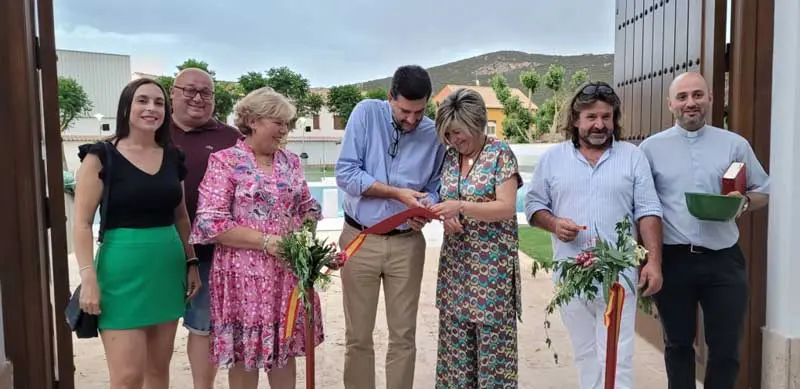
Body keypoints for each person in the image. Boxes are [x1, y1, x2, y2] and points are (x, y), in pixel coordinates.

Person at [523, 81, 664, 389]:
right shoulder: (553, 159)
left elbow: (648, 210)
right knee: (586, 352)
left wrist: (653, 262)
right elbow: (533, 206)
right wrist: (554, 223)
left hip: (619, 273)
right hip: (570, 272)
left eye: (606, 117)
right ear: (575, 120)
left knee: (617, 352)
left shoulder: (632, 156)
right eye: (591, 117)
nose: (600, 124)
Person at [638, 71, 770, 389]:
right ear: (671, 104)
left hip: (723, 260)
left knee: (726, 350)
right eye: (682, 97)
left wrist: (744, 203)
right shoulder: (650, 149)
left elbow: (763, 191)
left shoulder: (734, 145)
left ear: (710, 98)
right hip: (674, 259)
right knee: (678, 346)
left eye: (697, 95)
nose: (690, 103)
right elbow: (641, 206)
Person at [188, 87, 323, 389]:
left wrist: (308, 236)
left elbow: (307, 205)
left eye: (287, 123)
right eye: (278, 122)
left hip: (285, 276)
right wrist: (267, 242)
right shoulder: (225, 162)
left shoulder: (290, 162)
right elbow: (210, 221)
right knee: (244, 358)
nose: (284, 130)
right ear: (253, 120)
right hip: (242, 278)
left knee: (284, 353)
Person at [72, 77, 202, 389]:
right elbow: (80, 224)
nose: (151, 108)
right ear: (126, 107)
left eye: (158, 102)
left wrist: (191, 261)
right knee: (127, 377)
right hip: (119, 273)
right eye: (142, 100)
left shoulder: (173, 156)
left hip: (167, 270)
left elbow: (181, 216)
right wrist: (88, 278)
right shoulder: (100, 156)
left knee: (158, 373)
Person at [334, 64, 446, 389]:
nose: (412, 119)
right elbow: (346, 174)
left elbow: (437, 185)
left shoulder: (433, 132)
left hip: (407, 243)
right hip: (359, 239)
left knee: (403, 335)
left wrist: (425, 207)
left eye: (420, 111)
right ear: (389, 98)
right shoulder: (365, 114)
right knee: (358, 336)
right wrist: (396, 193)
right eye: (404, 111)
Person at [428, 88, 522, 388]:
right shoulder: (451, 157)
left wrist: (461, 207)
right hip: (456, 270)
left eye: (458, 132)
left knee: (493, 359)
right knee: (455, 358)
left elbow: (506, 208)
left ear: (476, 124)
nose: (454, 140)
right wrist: (448, 217)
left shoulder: (500, 153)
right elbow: (448, 199)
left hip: (491, 275)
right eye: (448, 134)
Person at [168, 67, 242, 389]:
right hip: (159, 248)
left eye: (206, 92)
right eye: (189, 90)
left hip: (210, 253)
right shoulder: (153, 131)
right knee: (153, 331)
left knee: (203, 328)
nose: (198, 98)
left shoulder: (231, 138)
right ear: (173, 93)